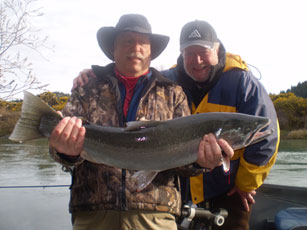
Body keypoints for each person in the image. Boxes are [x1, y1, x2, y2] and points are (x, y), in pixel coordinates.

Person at [74, 19, 280, 230]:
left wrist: (246, 185)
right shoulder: (168, 79)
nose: (197, 60)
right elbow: (132, 73)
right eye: (190, 53)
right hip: (182, 191)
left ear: (217, 50)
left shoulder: (242, 82)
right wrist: (92, 74)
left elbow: (268, 137)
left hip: (228, 190)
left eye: (204, 52)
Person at [50, 14, 233, 230]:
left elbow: (185, 168)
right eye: (128, 41)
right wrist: (65, 151)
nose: (136, 47)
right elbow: (57, 152)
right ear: (113, 49)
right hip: (93, 214)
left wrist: (200, 162)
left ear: (151, 51)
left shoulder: (174, 94)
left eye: (143, 42)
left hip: (156, 217)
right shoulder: (85, 88)